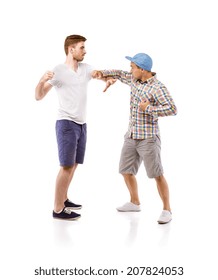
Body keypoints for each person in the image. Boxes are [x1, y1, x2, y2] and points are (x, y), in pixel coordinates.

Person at [35, 34, 115, 220]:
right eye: (82, 48)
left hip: (81, 124)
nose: (85, 51)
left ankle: (63, 199)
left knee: (75, 164)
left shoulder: (85, 69)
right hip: (66, 124)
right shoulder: (59, 71)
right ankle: (57, 209)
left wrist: (107, 80)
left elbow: (99, 74)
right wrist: (40, 81)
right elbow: (39, 96)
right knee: (66, 166)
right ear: (71, 50)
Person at [93, 53, 177, 224]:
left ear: (142, 69)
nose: (130, 70)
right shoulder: (133, 79)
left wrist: (150, 108)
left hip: (148, 139)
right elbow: (117, 73)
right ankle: (134, 202)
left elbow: (172, 109)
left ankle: (167, 210)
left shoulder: (157, 88)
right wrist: (100, 73)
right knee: (125, 170)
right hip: (131, 135)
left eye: (132, 67)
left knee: (157, 174)